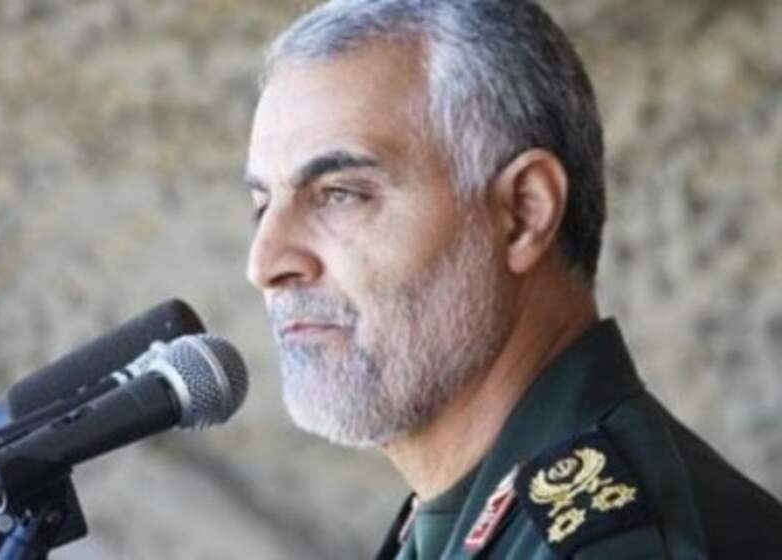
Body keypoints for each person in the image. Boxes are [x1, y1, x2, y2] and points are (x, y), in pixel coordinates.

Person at [242, 0, 782, 558]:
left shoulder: (613, 547)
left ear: (524, 213)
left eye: (341, 194)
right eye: (262, 205)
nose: (264, 264)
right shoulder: (462, 518)